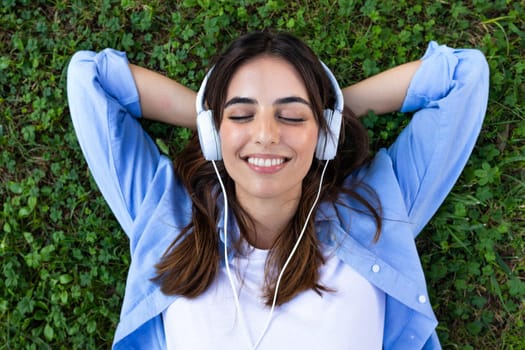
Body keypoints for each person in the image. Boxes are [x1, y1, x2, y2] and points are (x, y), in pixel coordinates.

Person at [67, 31, 489, 349]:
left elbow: (463, 76)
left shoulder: (374, 216)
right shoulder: (170, 217)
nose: (266, 135)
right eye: (241, 115)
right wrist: (206, 118)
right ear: (215, 134)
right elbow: (90, 78)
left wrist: (334, 113)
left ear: (323, 134)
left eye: (290, 115)